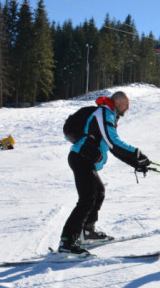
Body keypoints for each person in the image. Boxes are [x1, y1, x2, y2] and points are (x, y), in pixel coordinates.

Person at [59, 91, 151, 255]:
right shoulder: (103, 112)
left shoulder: (108, 115)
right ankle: (67, 242)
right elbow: (113, 142)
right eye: (126, 104)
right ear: (117, 102)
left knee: (98, 192)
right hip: (80, 159)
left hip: (86, 160)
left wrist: (136, 163)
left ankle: (87, 232)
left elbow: (111, 148)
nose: (128, 108)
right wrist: (137, 153)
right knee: (86, 199)